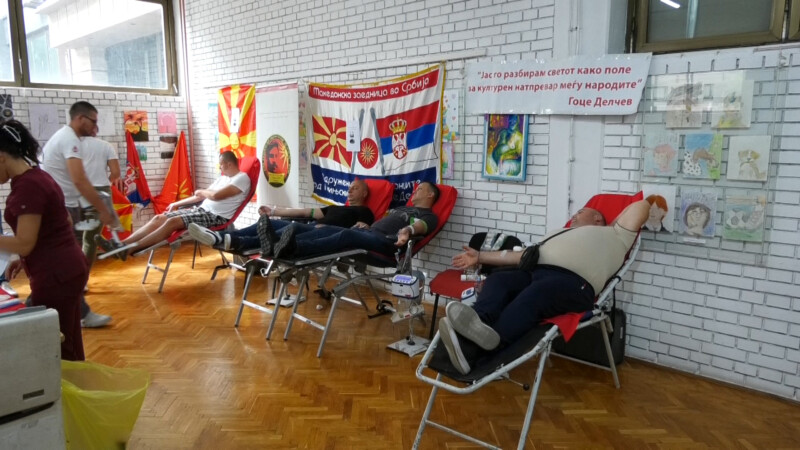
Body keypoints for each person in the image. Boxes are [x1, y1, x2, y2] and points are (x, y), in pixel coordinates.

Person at [439, 199, 650, 375]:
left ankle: (481, 349)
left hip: (574, 283)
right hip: (536, 272)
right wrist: (479, 256)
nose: (574, 215)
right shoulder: (558, 234)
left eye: (580, 211)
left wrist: (610, 226)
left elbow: (641, 206)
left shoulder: (615, 236)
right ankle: (478, 324)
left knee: (537, 294)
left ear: (597, 218)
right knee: (499, 280)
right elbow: (521, 256)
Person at [0, 120, 89, 360]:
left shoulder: (28, 187)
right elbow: (63, 221)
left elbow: (24, 243)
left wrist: (28, 251)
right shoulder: (38, 176)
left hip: (55, 274)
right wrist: (26, 257)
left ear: (1, 157)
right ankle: (75, 380)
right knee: (67, 339)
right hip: (68, 266)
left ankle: (64, 382)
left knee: (53, 343)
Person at [97, 151, 250, 259]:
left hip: (216, 217)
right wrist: (176, 203)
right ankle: (121, 245)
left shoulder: (241, 178)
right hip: (201, 210)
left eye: (221, 165)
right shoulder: (223, 178)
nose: (220, 168)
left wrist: (202, 191)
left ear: (228, 164)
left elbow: (215, 196)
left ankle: (129, 249)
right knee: (159, 218)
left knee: (172, 222)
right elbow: (199, 195)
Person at [41, 101, 113, 328]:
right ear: (80, 118)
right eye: (93, 121)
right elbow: (79, 179)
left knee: (65, 264)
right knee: (70, 264)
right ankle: (80, 313)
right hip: (62, 208)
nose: (95, 126)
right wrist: (103, 209)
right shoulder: (70, 140)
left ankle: (39, 308)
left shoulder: (65, 138)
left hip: (65, 205)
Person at [188, 179, 373, 253]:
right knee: (269, 223)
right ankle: (221, 236)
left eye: (355, 188)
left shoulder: (364, 211)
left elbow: (359, 230)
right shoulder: (334, 208)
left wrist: (363, 226)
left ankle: (237, 241)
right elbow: (304, 212)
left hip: (324, 234)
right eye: (349, 188)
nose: (349, 191)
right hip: (309, 226)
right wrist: (274, 211)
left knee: (288, 229)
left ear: (364, 193)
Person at [269, 181, 440, 259]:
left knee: (346, 235)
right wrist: (367, 225)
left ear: (430, 195)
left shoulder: (429, 215)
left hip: (388, 243)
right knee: (325, 229)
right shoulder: (402, 208)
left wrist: (407, 230)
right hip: (369, 232)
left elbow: (421, 226)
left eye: (420, 189)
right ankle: (281, 244)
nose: (415, 191)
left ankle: (295, 249)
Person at [79, 135, 123, 271]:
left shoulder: (72, 145)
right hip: (101, 190)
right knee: (90, 238)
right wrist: (107, 182)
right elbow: (116, 173)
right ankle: (83, 277)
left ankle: (71, 276)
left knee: (73, 236)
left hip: (77, 190)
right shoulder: (106, 145)